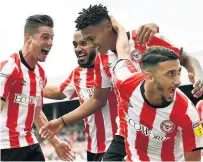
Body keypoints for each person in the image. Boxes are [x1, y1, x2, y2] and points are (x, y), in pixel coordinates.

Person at [40, 4, 203, 161]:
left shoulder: (144, 38)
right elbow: (98, 99)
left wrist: (198, 75)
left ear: (107, 27)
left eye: (91, 38)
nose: (91, 45)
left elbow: (188, 59)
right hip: (127, 132)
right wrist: (62, 121)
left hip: (162, 130)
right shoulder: (101, 59)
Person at [42, 23, 159, 161]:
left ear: (96, 41)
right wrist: (26, 87)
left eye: (84, 43)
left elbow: (130, 42)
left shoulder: (116, 64)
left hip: (120, 146)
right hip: (93, 149)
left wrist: (153, 28)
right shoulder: (78, 74)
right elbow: (58, 92)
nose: (78, 49)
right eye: (75, 44)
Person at [112, 21, 203, 161]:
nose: (178, 81)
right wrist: (119, 27)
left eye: (178, 72)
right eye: (170, 74)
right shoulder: (125, 81)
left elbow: (193, 159)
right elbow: (123, 50)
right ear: (149, 76)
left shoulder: (188, 114)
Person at [0, 14, 74, 161]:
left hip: (31, 144)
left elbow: (37, 114)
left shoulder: (41, 74)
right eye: (45, 37)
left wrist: (56, 143)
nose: (50, 42)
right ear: (28, 38)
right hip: (6, 148)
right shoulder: (8, 68)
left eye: (52, 38)